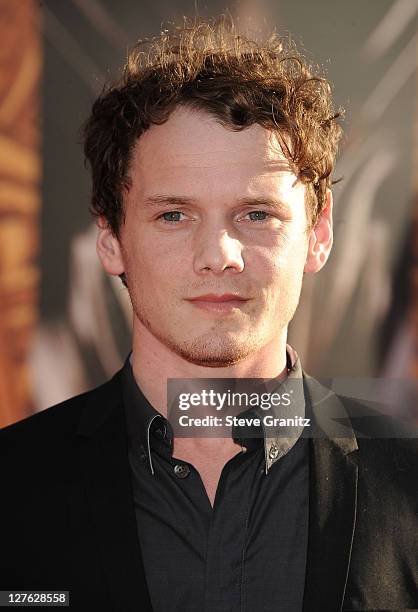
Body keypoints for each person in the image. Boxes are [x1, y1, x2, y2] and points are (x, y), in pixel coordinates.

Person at [1, 15, 417, 612]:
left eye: (257, 215)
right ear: (110, 237)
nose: (218, 256)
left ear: (319, 233)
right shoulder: (11, 487)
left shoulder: (409, 482)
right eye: (174, 215)